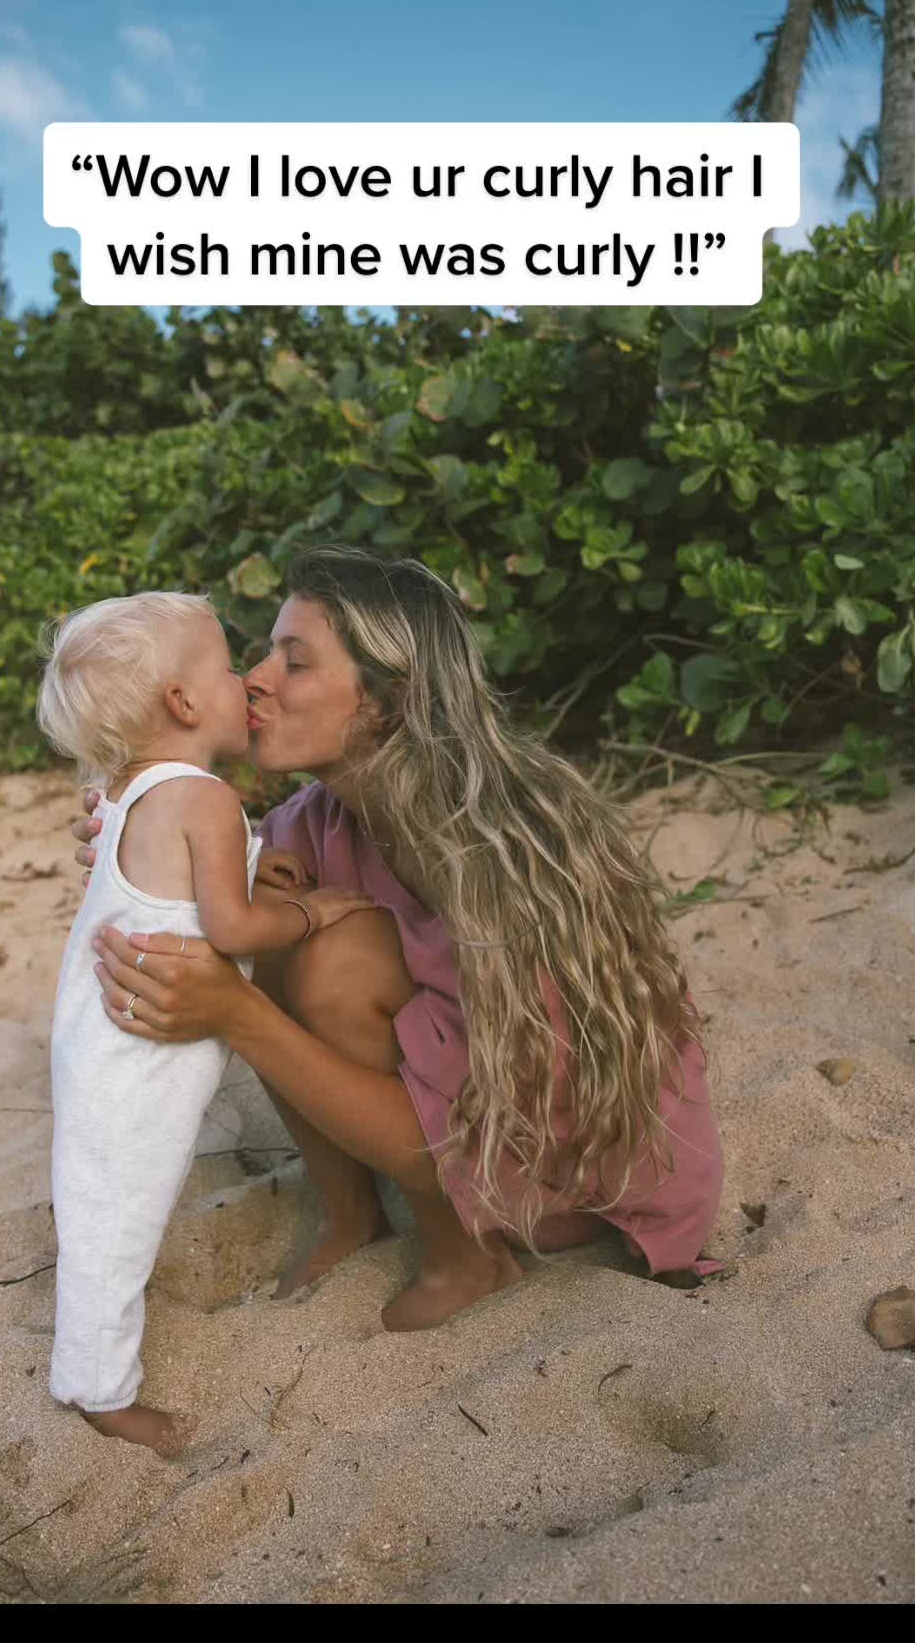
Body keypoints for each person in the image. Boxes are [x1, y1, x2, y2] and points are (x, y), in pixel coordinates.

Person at [75, 547, 723, 1338]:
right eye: (265, 653)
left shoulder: (510, 855)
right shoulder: (315, 822)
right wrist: (141, 849)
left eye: (294, 662)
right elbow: (212, 902)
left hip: (556, 1175)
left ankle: (466, 1257)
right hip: (465, 1131)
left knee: (331, 963)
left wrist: (237, 1015)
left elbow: (520, 1127)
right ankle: (351, 1215)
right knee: (256, 916)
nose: (254, 680)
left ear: (388, 700)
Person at [40, 590, 375, 1456]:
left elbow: (177, 881)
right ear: (185, 703)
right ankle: (99, 1389)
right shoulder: (206, 799)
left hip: (102, 1036)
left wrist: (259, 862)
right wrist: (312, 913)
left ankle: (97, 1372)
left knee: (102, 1201)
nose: (246, 682)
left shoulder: (129, 789)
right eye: (229, 668)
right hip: (142, 1050)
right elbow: (229, 930)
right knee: (118, 1218)